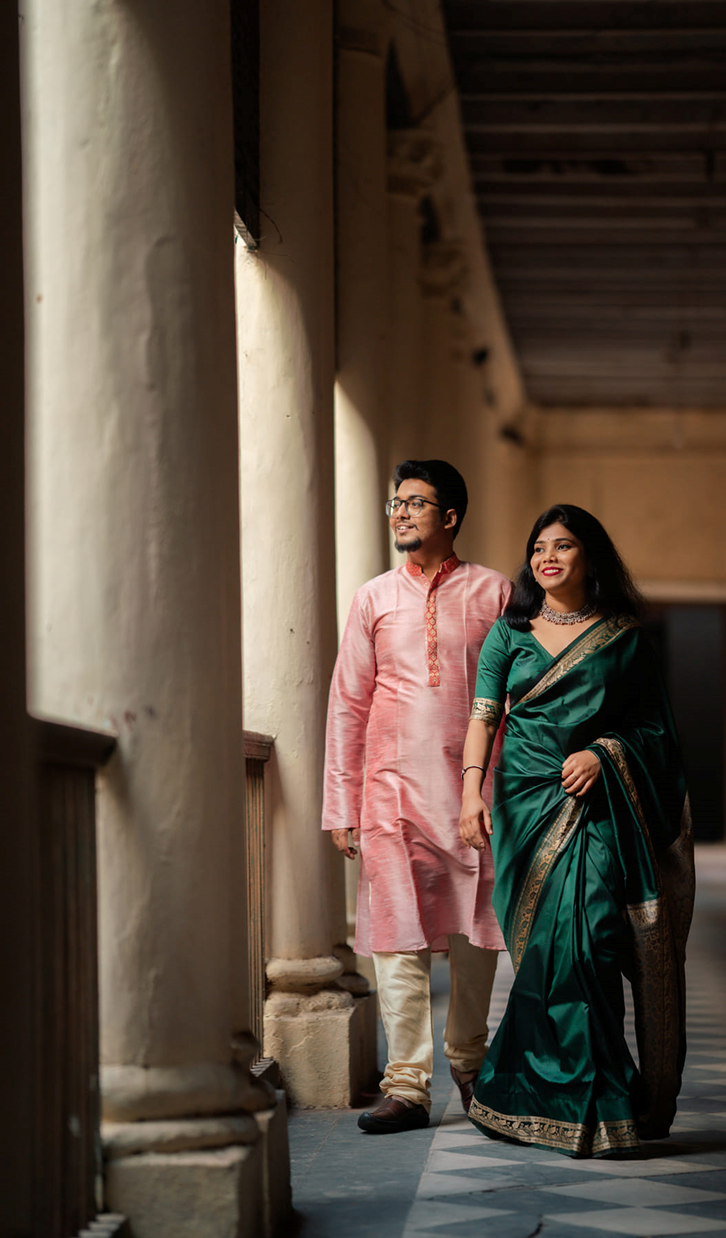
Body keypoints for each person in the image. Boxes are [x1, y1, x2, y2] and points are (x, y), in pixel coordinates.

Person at [458, 503, 694, 1158]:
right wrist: (469, 792)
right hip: (522, 803)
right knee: (540, 955)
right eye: (539, 547)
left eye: (563, 546)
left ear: (590, 556)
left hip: (597, 805)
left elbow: (656, 732)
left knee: (589, 941)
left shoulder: (624, 636)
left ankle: (599, 1098)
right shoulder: (508, 632)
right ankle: (532, 1096)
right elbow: (483, 718)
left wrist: (604, 752)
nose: (548, 557)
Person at [323, 460, 512, 1134]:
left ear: (450, 515)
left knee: (476, 931)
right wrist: (341, 803)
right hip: (388, 793)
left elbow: (513, 700)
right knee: (393, 935)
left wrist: (504, 790)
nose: (400, 513)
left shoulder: (494, 592)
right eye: (394, 503)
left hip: (473, 793)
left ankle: (468, 1061)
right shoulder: (373, 597)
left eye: (415, 503)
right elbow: (349, 701)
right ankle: (406, 1084)